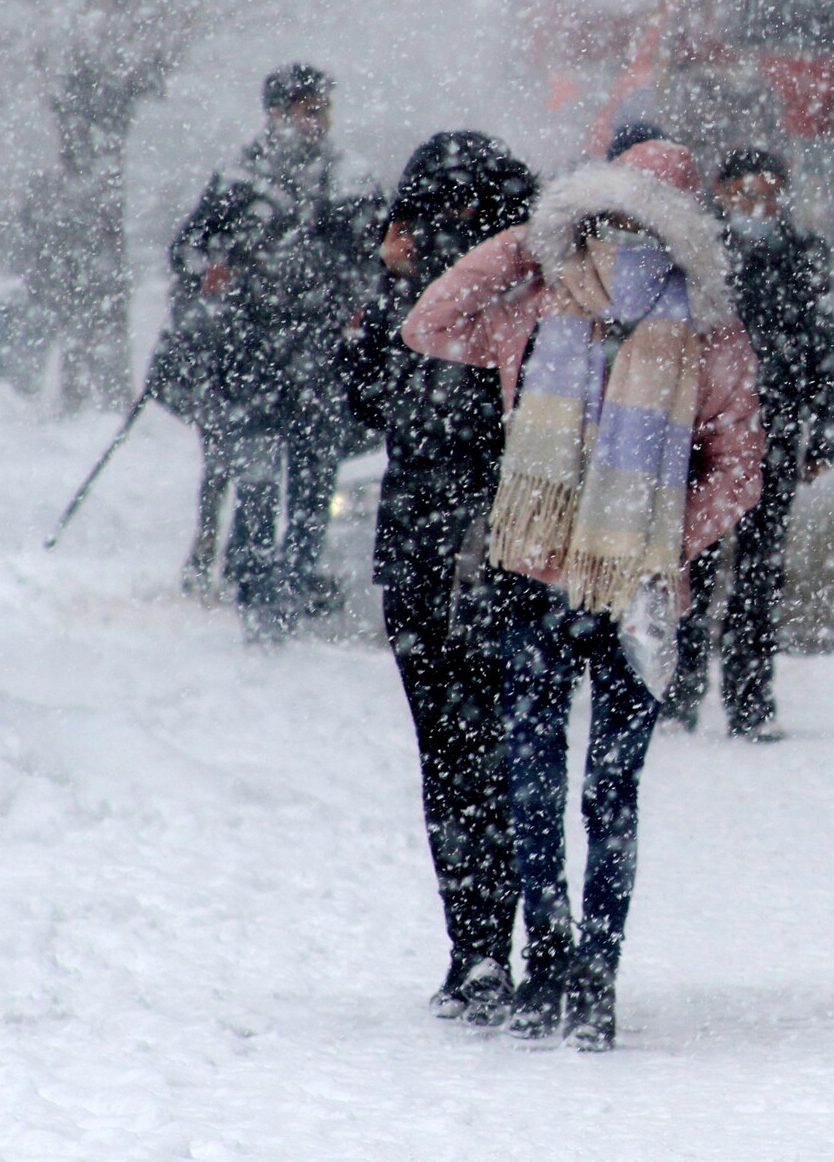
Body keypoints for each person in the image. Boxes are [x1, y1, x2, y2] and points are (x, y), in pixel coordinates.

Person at [402, 140, 764, 1050]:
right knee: (579, 787)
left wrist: (650, 541)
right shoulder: (558, 304)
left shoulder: (683, 327)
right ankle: (576, 968)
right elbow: (430, 321)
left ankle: (574, 966)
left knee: (570, 784)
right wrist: (529, 242)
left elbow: (740, 469)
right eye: (603, 215)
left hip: (601, 591)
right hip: (572, 588)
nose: (615, 234)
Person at [339, 132, 536, 1024]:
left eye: (463, 209)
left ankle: (507, 941)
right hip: (433, 554)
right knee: (459, 758)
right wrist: (385, 283)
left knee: (491, 756)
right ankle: (481, 946)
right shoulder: (414, 298)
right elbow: (360, 399)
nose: (448, 227)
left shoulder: (524, 294)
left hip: (500, 551)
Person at [169, 63, 385, 637]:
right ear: (277, 115)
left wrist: (361, 299)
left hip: (320, 362)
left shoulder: (351, 178)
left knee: (314, 490)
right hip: (252, 362)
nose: (317, 121)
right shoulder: (237, 181)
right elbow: (187, 251)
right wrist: (213, 268)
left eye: (321, 109)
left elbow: (378, 259)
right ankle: (257, 593)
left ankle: (291, 590)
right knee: (259, 485)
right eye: (306, 110)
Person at [661, 148, 834, 742]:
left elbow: (823, 345)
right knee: (695, 566)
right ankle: (680, 692)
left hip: (776, 433)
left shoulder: (802, 255)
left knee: (761, 574)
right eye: (746, 193)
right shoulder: (698, 254)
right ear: (721, 192)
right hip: (705, 436)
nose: (758, 207)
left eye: (770, 194)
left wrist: (824, 432)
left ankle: (751, 699)